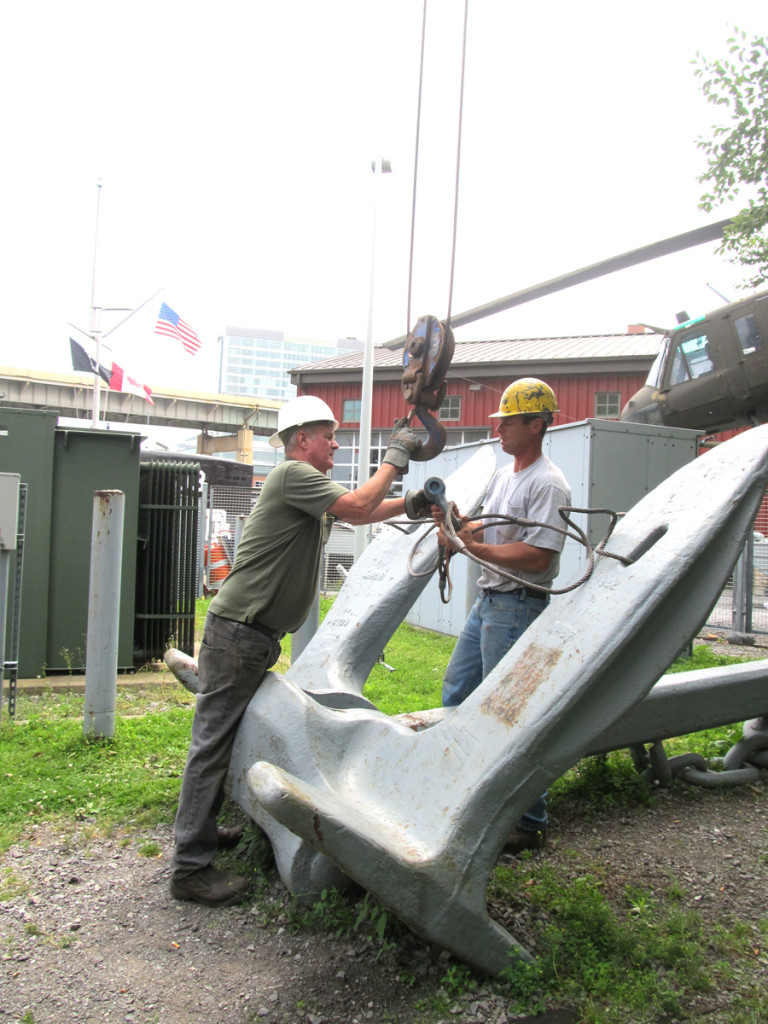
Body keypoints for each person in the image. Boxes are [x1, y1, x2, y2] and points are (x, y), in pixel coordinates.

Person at [170, 395, 431, 906]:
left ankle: (198, 835)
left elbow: (361, 514)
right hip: (240, 634)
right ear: (300, 440)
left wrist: (411, 505)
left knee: (223, 735)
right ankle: (189, 868)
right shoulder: (292, 474)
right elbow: (357, 506)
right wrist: (395, 456)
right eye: (328, 435)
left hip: (249, 636)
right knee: (210, 744)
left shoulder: (306, 487)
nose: (335, 442)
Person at [436, 377, 571, 853]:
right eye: (500, 422)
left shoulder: (548, 484)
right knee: (456, 691)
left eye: (508, 422)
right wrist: (455, 524)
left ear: (536, 425)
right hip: (489, 604)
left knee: (508, 713)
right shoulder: (504, 475)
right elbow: (488, 531)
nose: (499, 430)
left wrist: (477, 547)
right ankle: (464, 789)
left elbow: (539, 556)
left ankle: (530, 821)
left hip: (515, 607)